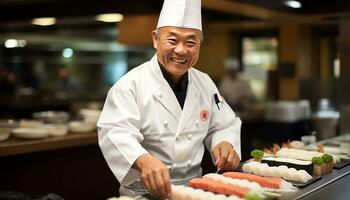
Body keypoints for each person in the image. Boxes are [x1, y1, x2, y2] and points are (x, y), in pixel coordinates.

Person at [97, 0, 242, 199]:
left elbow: (224, 124)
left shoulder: (205, 83)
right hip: (144, 193)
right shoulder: (130, 85)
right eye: (172, 40)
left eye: (190, 42)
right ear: (155, 39)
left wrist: (225, 142)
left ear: (199, 44)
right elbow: (115, 131)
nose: (181, 50)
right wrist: (143, 160)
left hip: (194, 191)